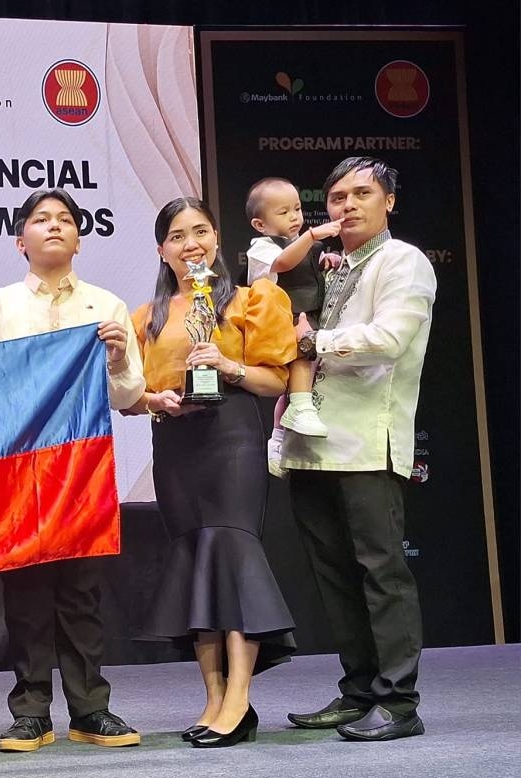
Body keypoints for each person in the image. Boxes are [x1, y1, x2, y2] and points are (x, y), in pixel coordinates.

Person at [0, 188, 146, 754]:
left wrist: (118, 360)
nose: (54, 226)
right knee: (24, 593)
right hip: (19, 472)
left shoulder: (107, 306)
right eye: (41, 220)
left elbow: (128, 396)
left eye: (65, 220)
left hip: (84, 471)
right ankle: (30, 713)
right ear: (20, 241)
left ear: (78, 238)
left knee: (81, 595)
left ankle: (92, 708)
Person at [128, 197, 297, 748]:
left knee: (231, 554)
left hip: (232, 439)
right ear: (162, 251)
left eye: (199, 231)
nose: (190, 243)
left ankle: (240, 698)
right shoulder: (145, 317)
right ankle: (212, 697)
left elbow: (276, 379)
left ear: (217, 239)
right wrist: (158, 400)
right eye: (177, 236)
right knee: (195, 558)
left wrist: (227, 365)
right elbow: (130, 398)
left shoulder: (253, 300)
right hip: (176, 445)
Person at [283, 157, 435, 742]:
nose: (346, 205)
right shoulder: (337, 265)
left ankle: (399, 702)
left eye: (361, 194)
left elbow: (390, 339)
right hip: (315, 445)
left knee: (381, 572)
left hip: (368, 444)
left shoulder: (404, 261)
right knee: (336, 577)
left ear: (388, 202)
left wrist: (314, 339)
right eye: (337, 196)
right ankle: (358, 690)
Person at [244, 177, 342, 438]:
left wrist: (326, 260)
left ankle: (279, 436)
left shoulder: (304, 243)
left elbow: (306, 265)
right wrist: (311, 236)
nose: (294, 217)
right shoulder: (261, 248)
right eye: (283, 212)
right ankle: (299, 409)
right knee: (303, 354)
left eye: (297, 209)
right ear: (260, 225)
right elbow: (284, 263)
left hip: (307, 313)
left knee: (305, 375)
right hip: (281, 319)